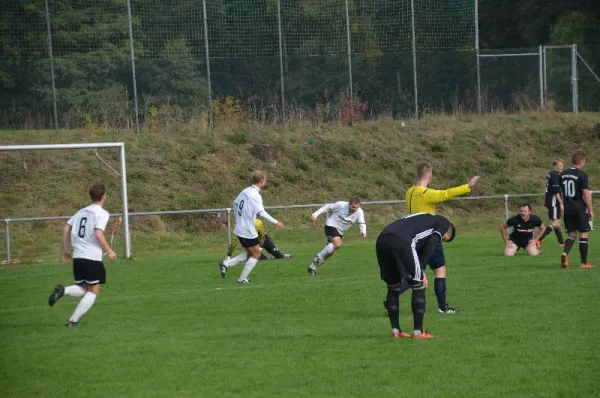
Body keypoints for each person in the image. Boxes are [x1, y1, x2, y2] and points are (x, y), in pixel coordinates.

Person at [404, 162, 479, 314]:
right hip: (430, 237)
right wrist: (467, 186)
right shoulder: (425, 194)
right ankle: (443, 308)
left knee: (417, 273)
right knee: (439, 272)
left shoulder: (409, 192)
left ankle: (391, 297)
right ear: (429, 176)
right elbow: (445, 194)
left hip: (415, 239)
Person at [47, 182, 117, 327]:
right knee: (94, 290)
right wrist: (109, 251)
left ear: (91, 196)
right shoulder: (102, 213)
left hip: (78, 256)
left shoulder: (82, 211)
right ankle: (72, 321)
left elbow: (66, 228)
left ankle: (63, 291)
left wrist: (66, 250)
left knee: (84, 289)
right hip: (91, 257)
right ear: (104, 197)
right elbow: (98, 233)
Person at [378, 213, 456, 339]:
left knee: (393, 286)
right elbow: (432, 243)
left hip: (382, 239)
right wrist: (422, 269)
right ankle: (418, 333)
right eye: (444, 239)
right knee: (418, 284)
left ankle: (397, 332)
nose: (441, 241)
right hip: (402, 239)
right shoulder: (444, 223)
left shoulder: (424, 219)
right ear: (448, 231)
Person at [219, 171, 284, 283]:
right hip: (247, 230)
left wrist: (239, 219)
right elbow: (261, 213)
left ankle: (226, 263)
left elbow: (235, 204)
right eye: (265, 180)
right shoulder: (255, 195)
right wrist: (276, 222)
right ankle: (242, 278)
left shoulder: (245, 191)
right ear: (262, 181)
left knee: (251, 253)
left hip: (240, 228)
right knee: (257, 254)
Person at [307, 197, 367, 276]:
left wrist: (363, 231)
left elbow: (361, 222)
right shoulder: (341, 205)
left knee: (330, 252)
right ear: (349, 204)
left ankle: (312, 266)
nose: (354, 209)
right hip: (331, 225)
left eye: (357, 207)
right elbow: (327, 207)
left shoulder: (359, 212)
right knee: (338, 243)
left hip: (340, 232)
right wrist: (314, 215)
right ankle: (318, 256)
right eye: (353, 207)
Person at [560, 152, 594, 269]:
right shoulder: (582, 175)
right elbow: (585, 193)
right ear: (580, 162)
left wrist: (561, 204)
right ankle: (584, 263)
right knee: (583, 234)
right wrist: (590, 209)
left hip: (568, 209)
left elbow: (561, 191)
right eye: (584, 161)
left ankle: (565, 254)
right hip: (579, 208)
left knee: (571, 234)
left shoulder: (563, 174)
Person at [225, 219, 292, 261]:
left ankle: (281, 255)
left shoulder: (257, 222)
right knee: (260, 259)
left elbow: (263, 237)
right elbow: (234, 242)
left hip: (263, 240)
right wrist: (228, 255)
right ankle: (266, 258)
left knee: (278, 256)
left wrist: (260, 247)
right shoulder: (239, 228)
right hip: (253, 243)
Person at [540, 159, 565, 247]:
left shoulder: (551, 174)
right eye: (559, 165)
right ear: (555, 166)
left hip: (551, 200)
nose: (561, 167)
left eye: (562, 165)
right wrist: (561, 203)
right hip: (553, 200)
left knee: (558, 223)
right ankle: (538, 239)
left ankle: (561, 242)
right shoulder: (554, 175)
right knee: (555, 222)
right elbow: (556, 191)